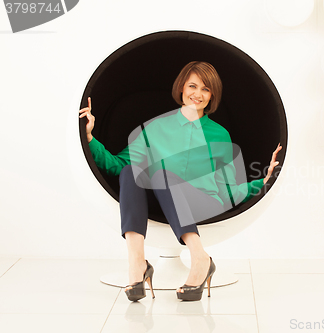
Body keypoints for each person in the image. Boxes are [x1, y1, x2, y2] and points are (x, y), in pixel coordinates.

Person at [79, 61, 282, 301]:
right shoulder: (154, 129)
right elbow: (117, 165)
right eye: (192, 86)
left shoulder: (220, 135)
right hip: (164, 203)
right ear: (181, 88)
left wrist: (262, 181)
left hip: (204, 202)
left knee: (161, 174)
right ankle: (137, 264)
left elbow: (228, 189)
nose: (197, 94)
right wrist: (90, 137)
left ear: (212, 95)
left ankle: (199, 259)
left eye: (205, 89)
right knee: (131, 172)